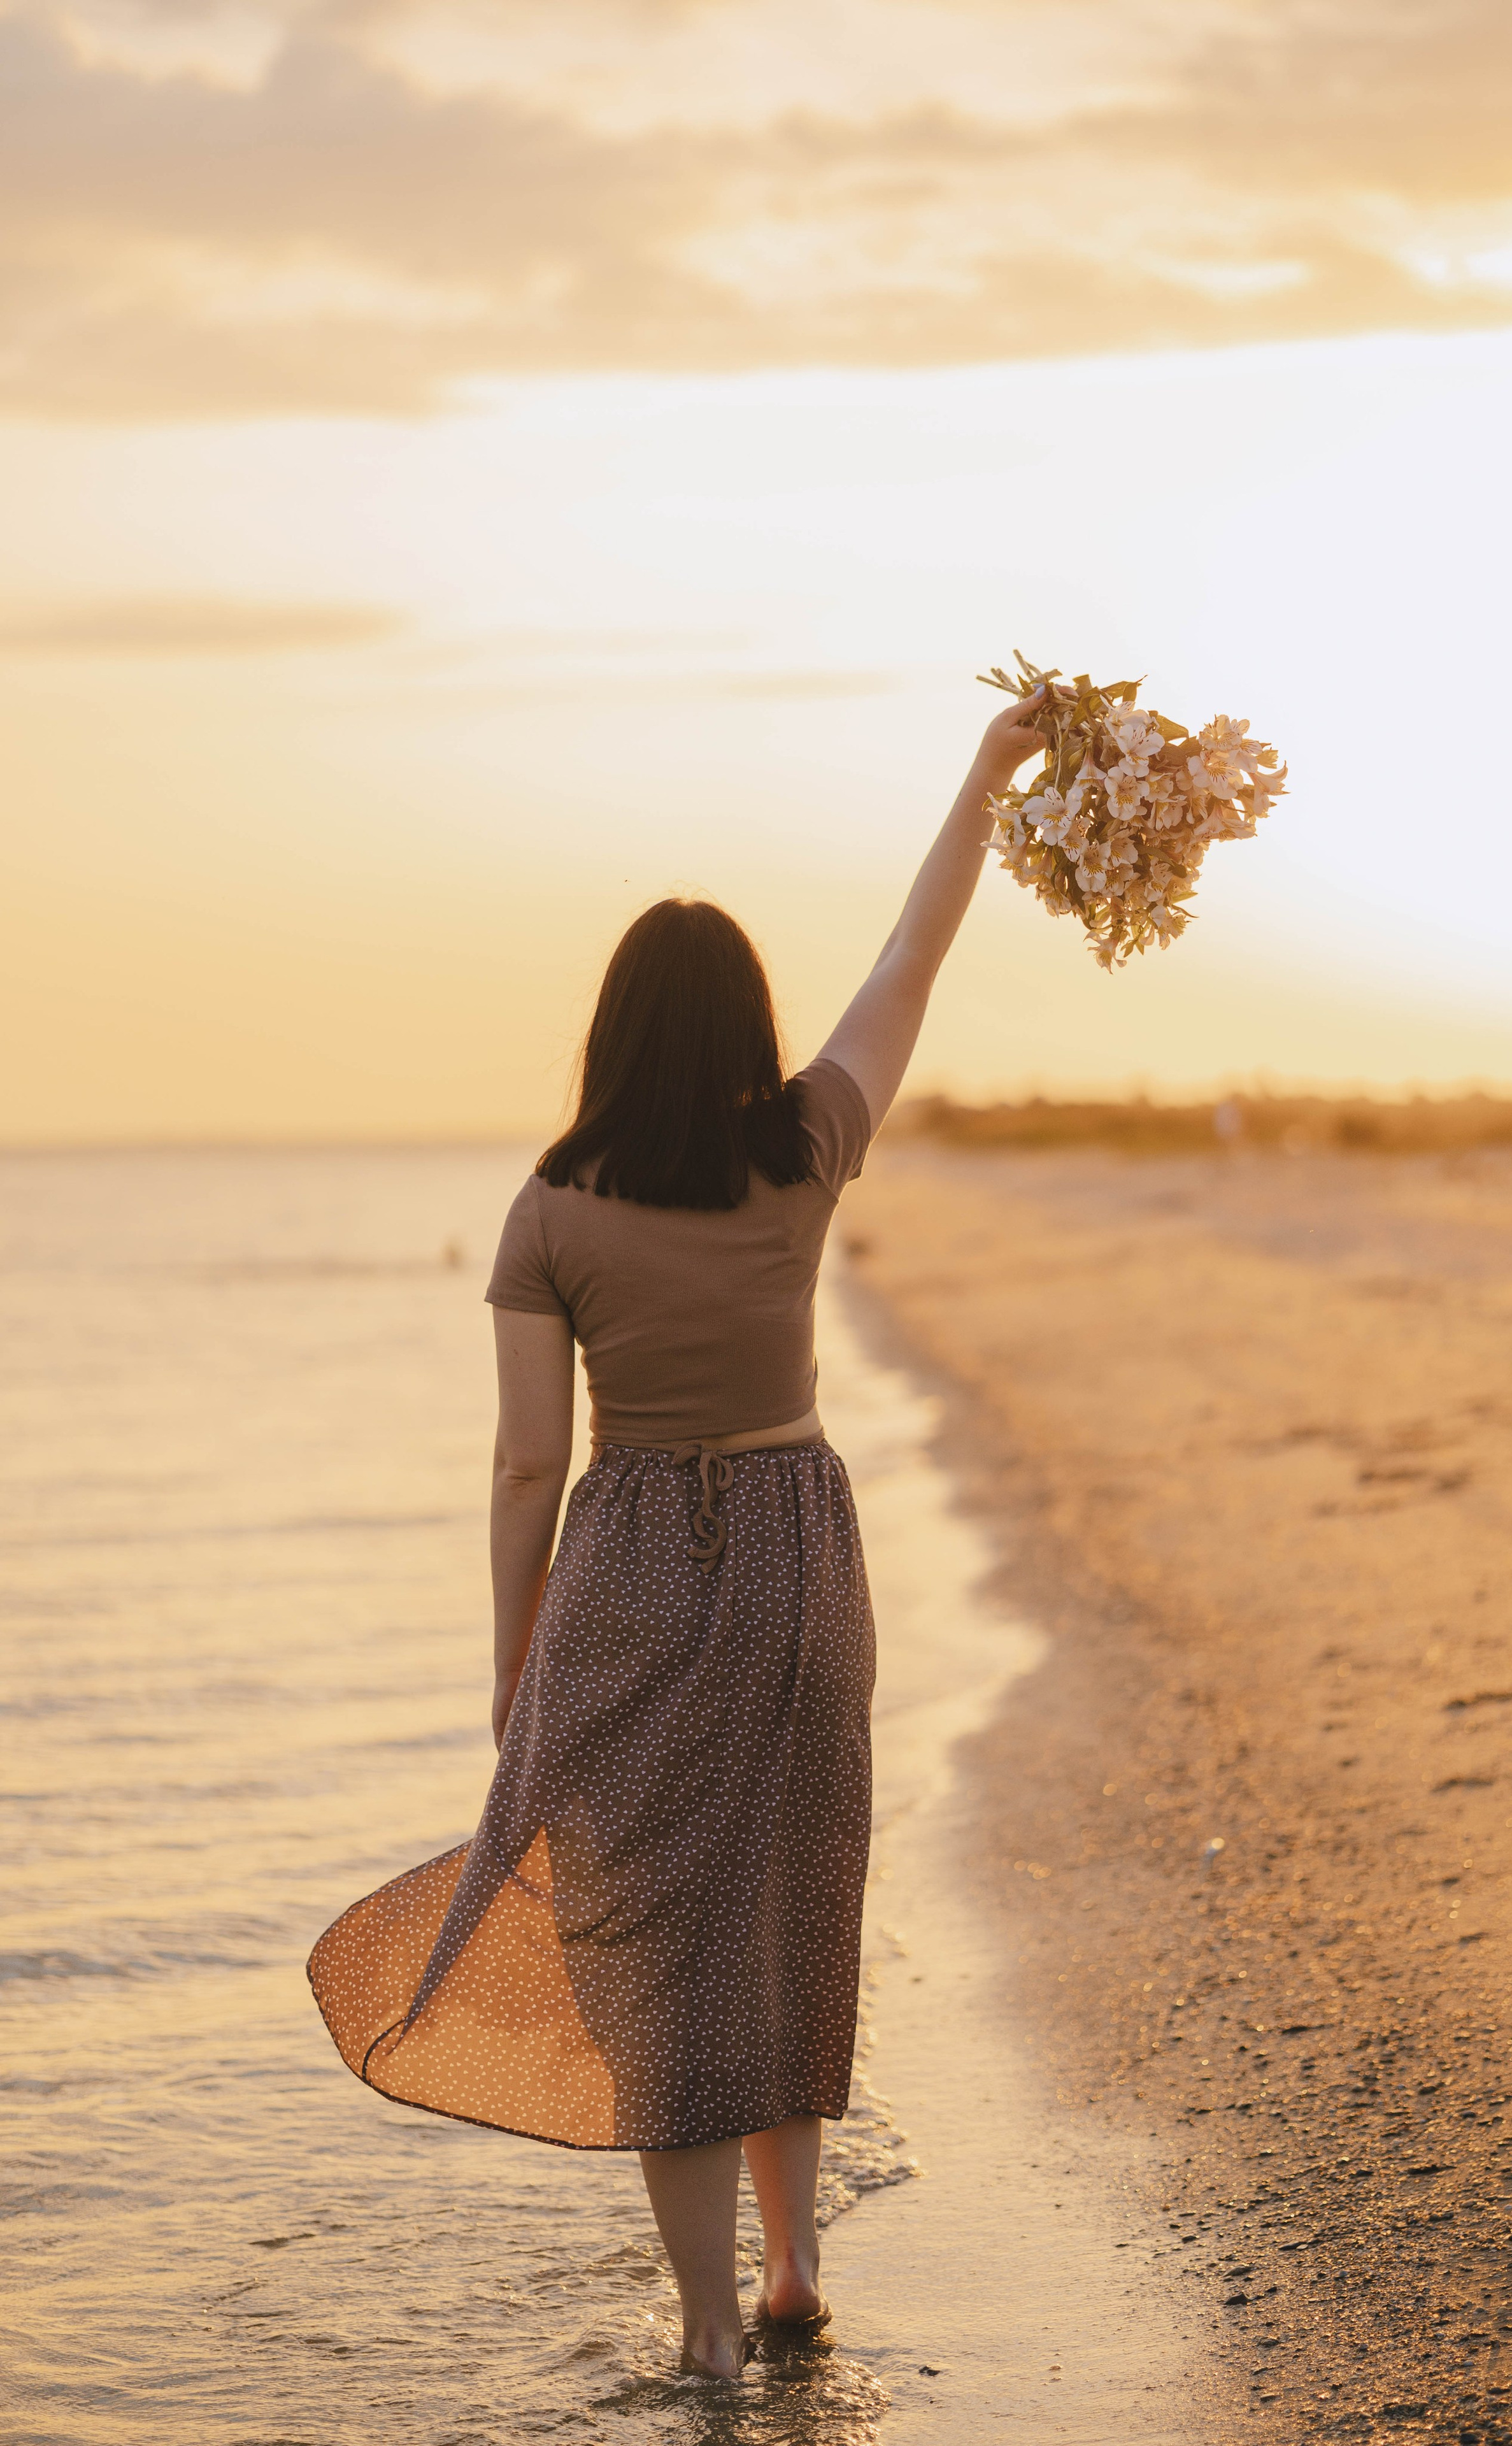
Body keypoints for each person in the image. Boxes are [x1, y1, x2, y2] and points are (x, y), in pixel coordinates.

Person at [307, 688, 1045, 2378]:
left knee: (660, 1949)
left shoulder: (548, 1208)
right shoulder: (804, 1145)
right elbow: (913, 963)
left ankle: (711, 2333)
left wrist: (515, 1656)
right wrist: (986, 775)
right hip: (795, 1556)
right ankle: (794, 2270)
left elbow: (520, 1470)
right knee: (789, 1905)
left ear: (611, 1031)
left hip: (630, 1565)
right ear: (742, 1028)